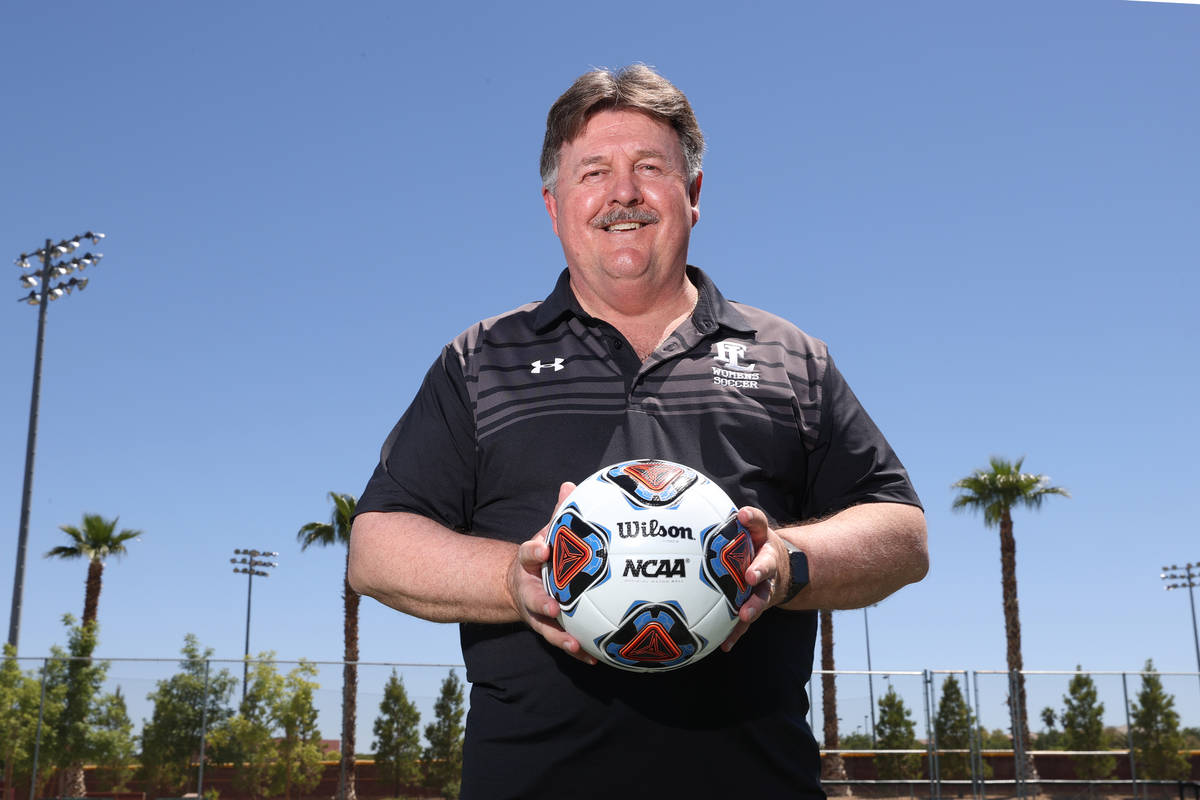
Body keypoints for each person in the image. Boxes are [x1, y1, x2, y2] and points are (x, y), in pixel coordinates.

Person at [349, 65, 928, 800]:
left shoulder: (788, 356)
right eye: (593, 172)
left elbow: (903, 532)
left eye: (649, 168)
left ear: (692, 194)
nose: (623, 192)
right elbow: (375, 546)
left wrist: (786, 562)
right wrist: (512, 580)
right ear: (554, 206)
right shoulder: (481, 359)